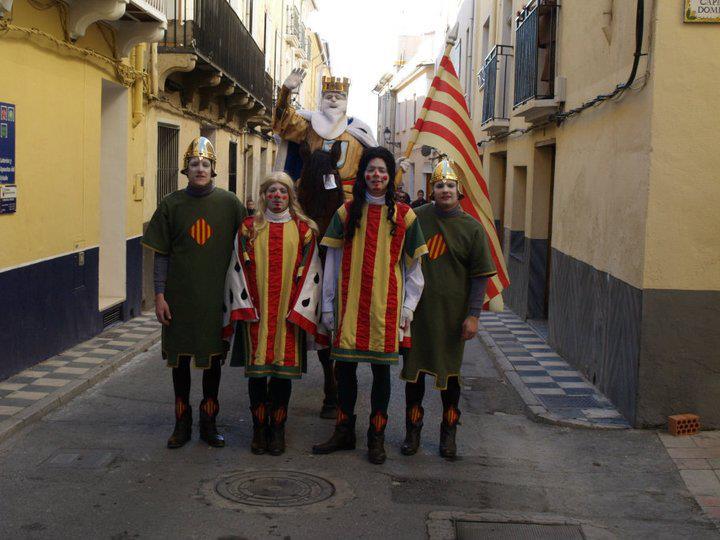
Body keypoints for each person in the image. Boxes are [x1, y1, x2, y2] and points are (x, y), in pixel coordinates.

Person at [312, 146, 428, 464]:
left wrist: (408, 308)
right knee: (345, 371)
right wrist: (328, 306)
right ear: (363, 174)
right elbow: (332, 262)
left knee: (381, 375)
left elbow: (415, 269)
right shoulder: (346, 213)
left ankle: (375, 438)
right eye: (371, 170)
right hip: (349, 307)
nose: (376, 175)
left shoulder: (405, 215)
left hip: (385, 309)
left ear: (390, 177)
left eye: (382, 171)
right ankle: (344, 431)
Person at [142, 136, 246, 449]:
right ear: (185, 170)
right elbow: (162, 255)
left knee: (212, 363)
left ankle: (209, 422)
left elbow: (247, 249)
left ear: (214, 169)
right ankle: (182, 423)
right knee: (180, 363)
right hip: (179, 299)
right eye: (194, 164)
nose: (200, 168)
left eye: (205, 164)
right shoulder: (171, 204)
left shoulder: (230, 205)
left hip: (216, 300)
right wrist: (159, 296)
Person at [222, 171, 326, 456]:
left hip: (287, 314)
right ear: (264, 195)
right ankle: (259, 429)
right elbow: (236, 268)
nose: (277, 196)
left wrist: (301, 309)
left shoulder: (304, 230)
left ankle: (277, 430)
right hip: (256, 312)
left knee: (281, 376)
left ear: (290, 196)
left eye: (283, 191)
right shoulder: (248, 228)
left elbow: (312, 271)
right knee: (257, 375)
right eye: (272, 191)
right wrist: (244, 306)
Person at [400, 159, 496, 459]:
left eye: (450, 185)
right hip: (417, 313)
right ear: (432, 189)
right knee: (413, 377)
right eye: (439, 185)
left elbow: (480, 276)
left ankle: (448, 435)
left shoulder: (472, 229)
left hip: (453, 317)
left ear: (459, 190)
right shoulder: (415, 218)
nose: (444, 190)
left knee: (450, 379)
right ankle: (412, 433)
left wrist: (473, 315)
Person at [273, 69, 377, 200]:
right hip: (310, 196)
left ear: (346, 102)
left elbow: (375, 164)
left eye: (338, 97)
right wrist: (285, 91)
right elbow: (284, 121)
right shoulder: (308, 127)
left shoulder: (359, 130)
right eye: (328, 97)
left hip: (348, 200)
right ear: (322, 100)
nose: (333, 99)